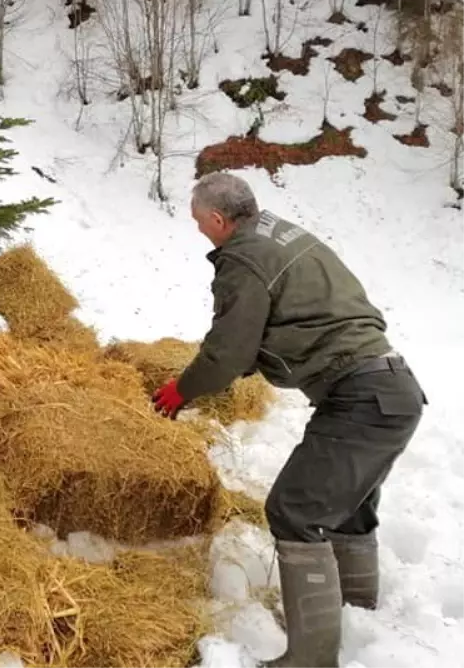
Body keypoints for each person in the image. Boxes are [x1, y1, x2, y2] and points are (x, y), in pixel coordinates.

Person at [151, 172, 425, 668]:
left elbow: (228, 353)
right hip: (392, 388)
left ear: (217, 219)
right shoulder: (281, 233)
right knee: (347, 505)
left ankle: (311, 659)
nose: (197, 230)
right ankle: (356, 613)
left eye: (197, 221)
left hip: (359, 396)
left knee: (293, 511)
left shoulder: (242, 259)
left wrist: (180, 390)